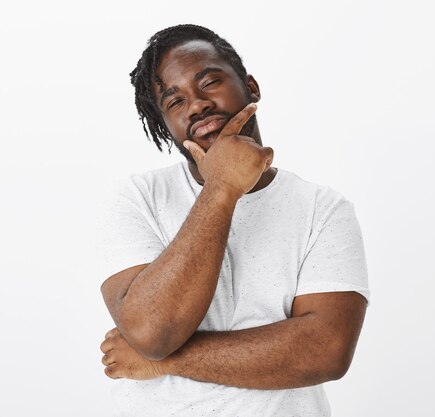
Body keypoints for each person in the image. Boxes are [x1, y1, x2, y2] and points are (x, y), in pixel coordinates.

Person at [99, 24, 369, 417]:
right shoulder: (137, 199)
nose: (197, 105)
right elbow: (151, 332)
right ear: (164, 125)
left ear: (251, 87)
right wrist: (221, 189)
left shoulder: (324, 209)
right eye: (175, 102)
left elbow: (324, 351)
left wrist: (168, 361)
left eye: (209, 82)